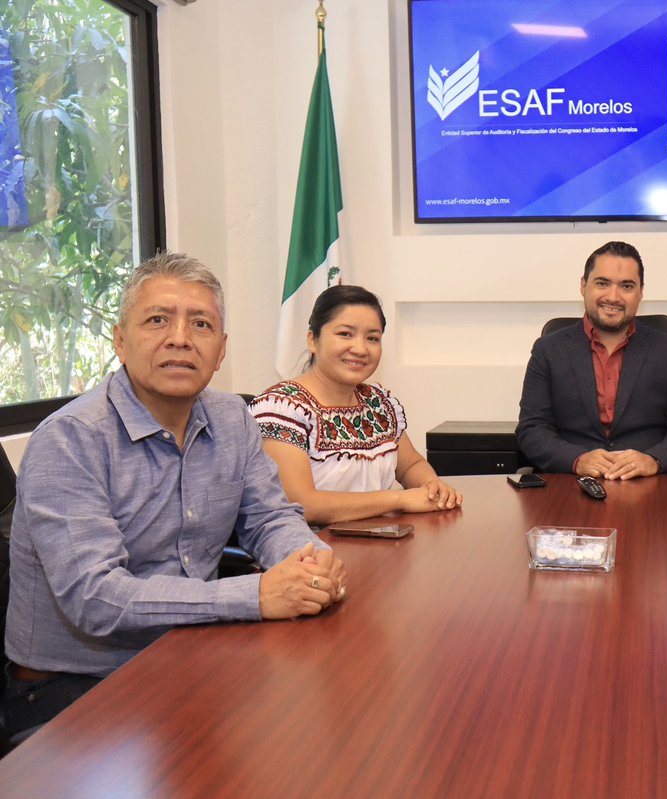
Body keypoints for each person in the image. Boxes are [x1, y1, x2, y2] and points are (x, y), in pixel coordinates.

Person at [3, 252, 347, 739]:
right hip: (74, 689)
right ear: (120, 341)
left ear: (221, 349)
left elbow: (269, 518)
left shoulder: (232, 419)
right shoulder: (70, 439)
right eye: (158, 320)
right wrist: (254, 595)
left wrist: (311, 562)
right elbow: (96, 598)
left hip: (189, 652)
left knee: (320, 729)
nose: (180, 339)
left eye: (201, 324)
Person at [251, 285, 461, 525]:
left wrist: (431, 486)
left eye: (372, 338)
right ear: (313, 339)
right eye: (345, 334)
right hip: (311, 553)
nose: (360, 349)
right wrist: (399, 499)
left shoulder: (378, 403)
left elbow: (410, 464)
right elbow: (302, 504)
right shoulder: (281, 409)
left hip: (380, 543)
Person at [517, 241, 667, 479]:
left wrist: (654, 460)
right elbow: (532, 429)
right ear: (584, 286)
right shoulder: (548, 350)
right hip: (571, 486)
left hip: (649, 488)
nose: (613, 296)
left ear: (641, 293)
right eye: (602, 283)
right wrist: (576, 460)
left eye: (626, 286)